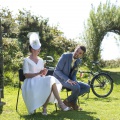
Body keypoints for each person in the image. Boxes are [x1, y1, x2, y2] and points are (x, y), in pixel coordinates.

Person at [21, 32, 70, 115]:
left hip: (39, 80)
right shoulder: (26, 60)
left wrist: (43, 73)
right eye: (38, 49)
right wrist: (38, 73)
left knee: (50, 81)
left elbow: (41, 74)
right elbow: (26, 75)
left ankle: (47, 107)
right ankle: (59, 104)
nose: (39, 50)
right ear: (32, 49)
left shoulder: (40, 60)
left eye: (39, 49)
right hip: (30, 82)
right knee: (50, 81)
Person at [53, 45, 90, 110]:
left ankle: (67, 101)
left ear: (82, 55)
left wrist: (74, 81)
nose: (77, 53)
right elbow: (57, 70)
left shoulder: (78, 61)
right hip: (59, 79)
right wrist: (68, 80)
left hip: (70, 80)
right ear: (75, 49)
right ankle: (73, 104)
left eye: (80, 53)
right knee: (77, 87)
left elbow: (74, 74)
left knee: (87, 87)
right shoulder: (65, 56)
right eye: (77, 51)